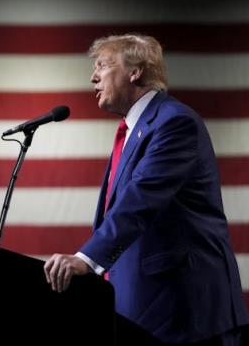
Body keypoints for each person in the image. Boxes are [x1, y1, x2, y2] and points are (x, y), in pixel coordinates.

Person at [43, 34, 249, 345]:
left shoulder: (174, 123)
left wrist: (86, 259)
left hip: (186, 311)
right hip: (146, 310)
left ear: (135, 70)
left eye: (102, 65)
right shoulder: (133, 131)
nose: (92, 76)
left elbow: (139, 200)